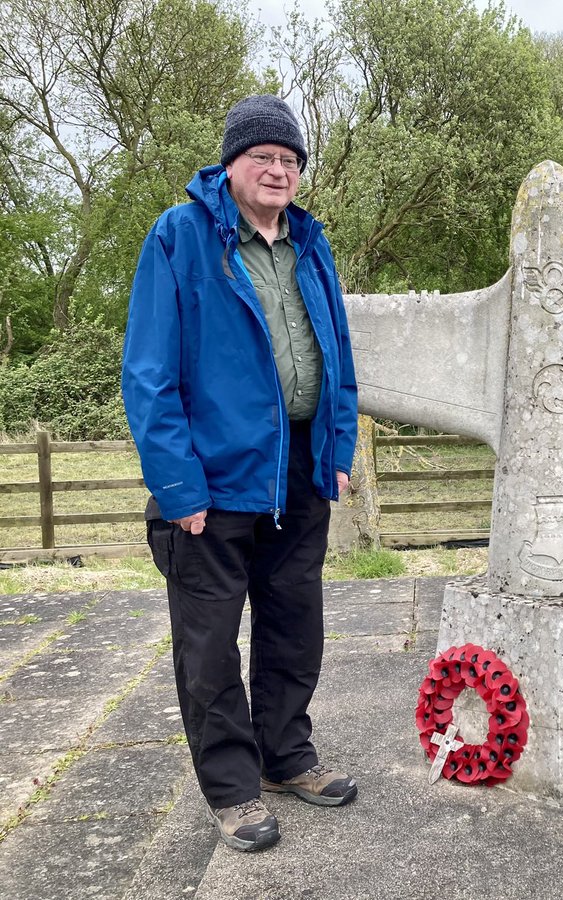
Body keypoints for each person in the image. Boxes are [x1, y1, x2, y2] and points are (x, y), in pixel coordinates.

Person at [122, 95, 359, 852]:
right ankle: (232, 788)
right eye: (264, 156)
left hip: (297, 469)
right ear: (231, 163)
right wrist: (179, 486)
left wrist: (340, 449)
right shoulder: (180, 236)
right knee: (210, 645)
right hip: (211, 480)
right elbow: (147, 375)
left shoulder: (310, 245)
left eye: (290, 160)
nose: (279, 170)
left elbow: (338, 359)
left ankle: (287, 758)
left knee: (295, 628)